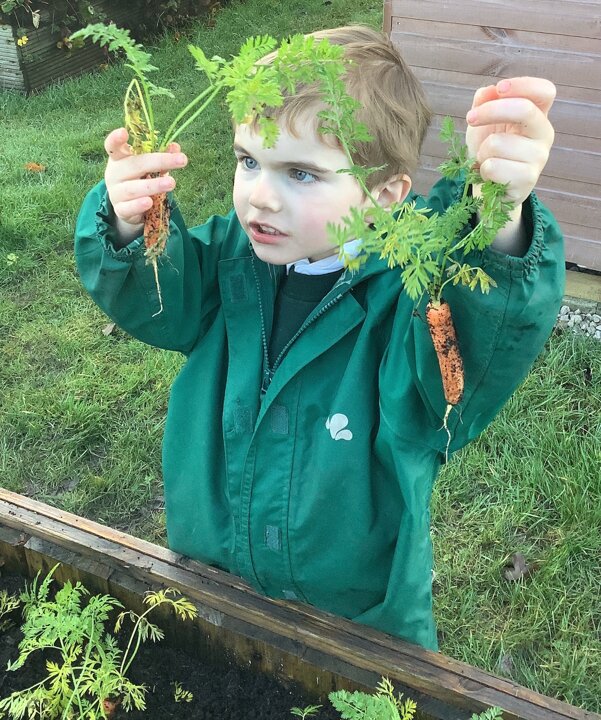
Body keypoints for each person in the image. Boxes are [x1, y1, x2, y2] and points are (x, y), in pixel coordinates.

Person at [74, 25, 564, 650]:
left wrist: (497, 219)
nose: (261, 197)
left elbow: (464, 363)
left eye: (300, 174)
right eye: (249, 161)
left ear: (383, 195)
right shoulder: (227, 258)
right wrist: (127, 220)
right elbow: (155, 299)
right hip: (215, 572)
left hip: (359, 619)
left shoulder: (414, 291)